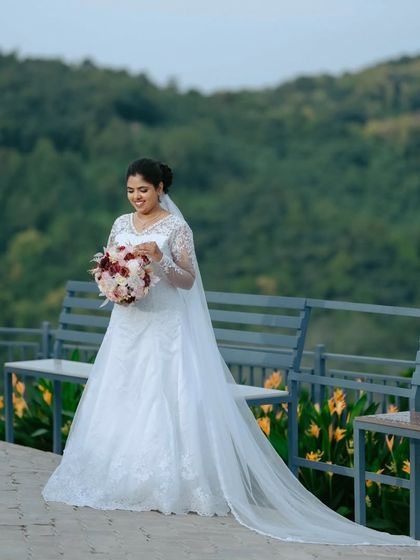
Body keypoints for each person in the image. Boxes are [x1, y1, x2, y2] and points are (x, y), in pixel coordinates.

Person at [42, 157, 419, 547]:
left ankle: (166, 484)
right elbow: (111, 263)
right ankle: (115, 476)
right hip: (128, 324)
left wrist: (160, 259)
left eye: (143, 190)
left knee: (165, 396)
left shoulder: (176, 228)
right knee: (124, 394)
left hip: (166, 327)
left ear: (160, 189)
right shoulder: (121, 224)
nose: (137, 197)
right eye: (130, 191)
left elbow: (188, 281)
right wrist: (117, 286)